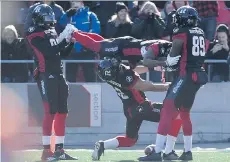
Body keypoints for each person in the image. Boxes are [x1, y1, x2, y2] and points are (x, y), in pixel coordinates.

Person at [138, 6, 209, 161]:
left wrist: (167, 63)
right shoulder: (200, 33)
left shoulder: (181, 33)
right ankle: (187, 152)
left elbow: (174, 54)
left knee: (167, 110)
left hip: (185, 76)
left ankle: (157, 152)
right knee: (184, 113)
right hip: (197, 76)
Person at [91, 57, 169, 161]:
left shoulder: (112, 77)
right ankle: (161, 150)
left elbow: (132, 71)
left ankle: (102, 145)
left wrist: (151, 68)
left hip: (130, 110)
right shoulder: (124, 77)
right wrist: (168, 87)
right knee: (171, 115)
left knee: (130, 140)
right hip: (141, 106)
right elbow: (148, 87)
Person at [25, 4, 77, 161]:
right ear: (39, 19)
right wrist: (63, 38)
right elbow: (49, 51)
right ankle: (47, 152)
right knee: (50, 111)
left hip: (58, 73)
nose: (50, 21)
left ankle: (59, 150)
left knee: (62, 112)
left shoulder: (51, 31)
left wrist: (70, 42)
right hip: (45, 75)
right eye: (46, 17)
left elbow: (62, 53)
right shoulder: (33, 34)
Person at [60, 25, 180, 69]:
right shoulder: (160, 46)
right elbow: (147, 61)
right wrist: (165, 63)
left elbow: (143, 61)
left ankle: (77, 31)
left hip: (127, 49)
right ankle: (73, 32)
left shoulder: (164, 47)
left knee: (102, 42)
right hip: (123, 46)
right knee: (97, 47)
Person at [59, 1, 100, 82]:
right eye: (72, 3)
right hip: (71, 50)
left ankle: (93, 93)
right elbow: (61, 25)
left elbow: (96, 30)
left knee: (90, 76)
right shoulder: (69, 16)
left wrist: (85, 42)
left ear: (82, 3)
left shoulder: (91, 15)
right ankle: (69, 94)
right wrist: (66, 15)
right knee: (69, 78)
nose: (74, 4)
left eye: (76, 2)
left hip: (87, 51)